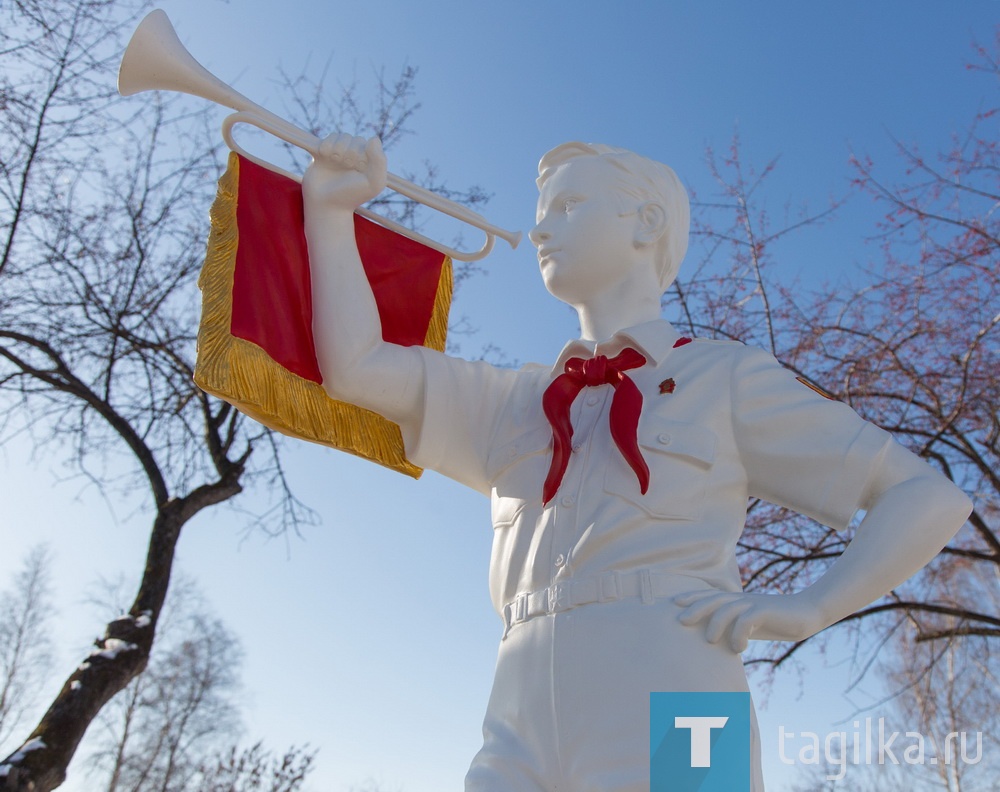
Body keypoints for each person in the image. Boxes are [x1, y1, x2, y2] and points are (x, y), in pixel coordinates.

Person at [301, 135, 972, 791]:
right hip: (517, 705)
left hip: (680, 687)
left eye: (567, 207)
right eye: (541, 215)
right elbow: (356, 367)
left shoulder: (723, 378)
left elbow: (924, 496)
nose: (539, 232)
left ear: (646, 222)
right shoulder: (510, 399)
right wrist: (331, 215)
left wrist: (814, 606)